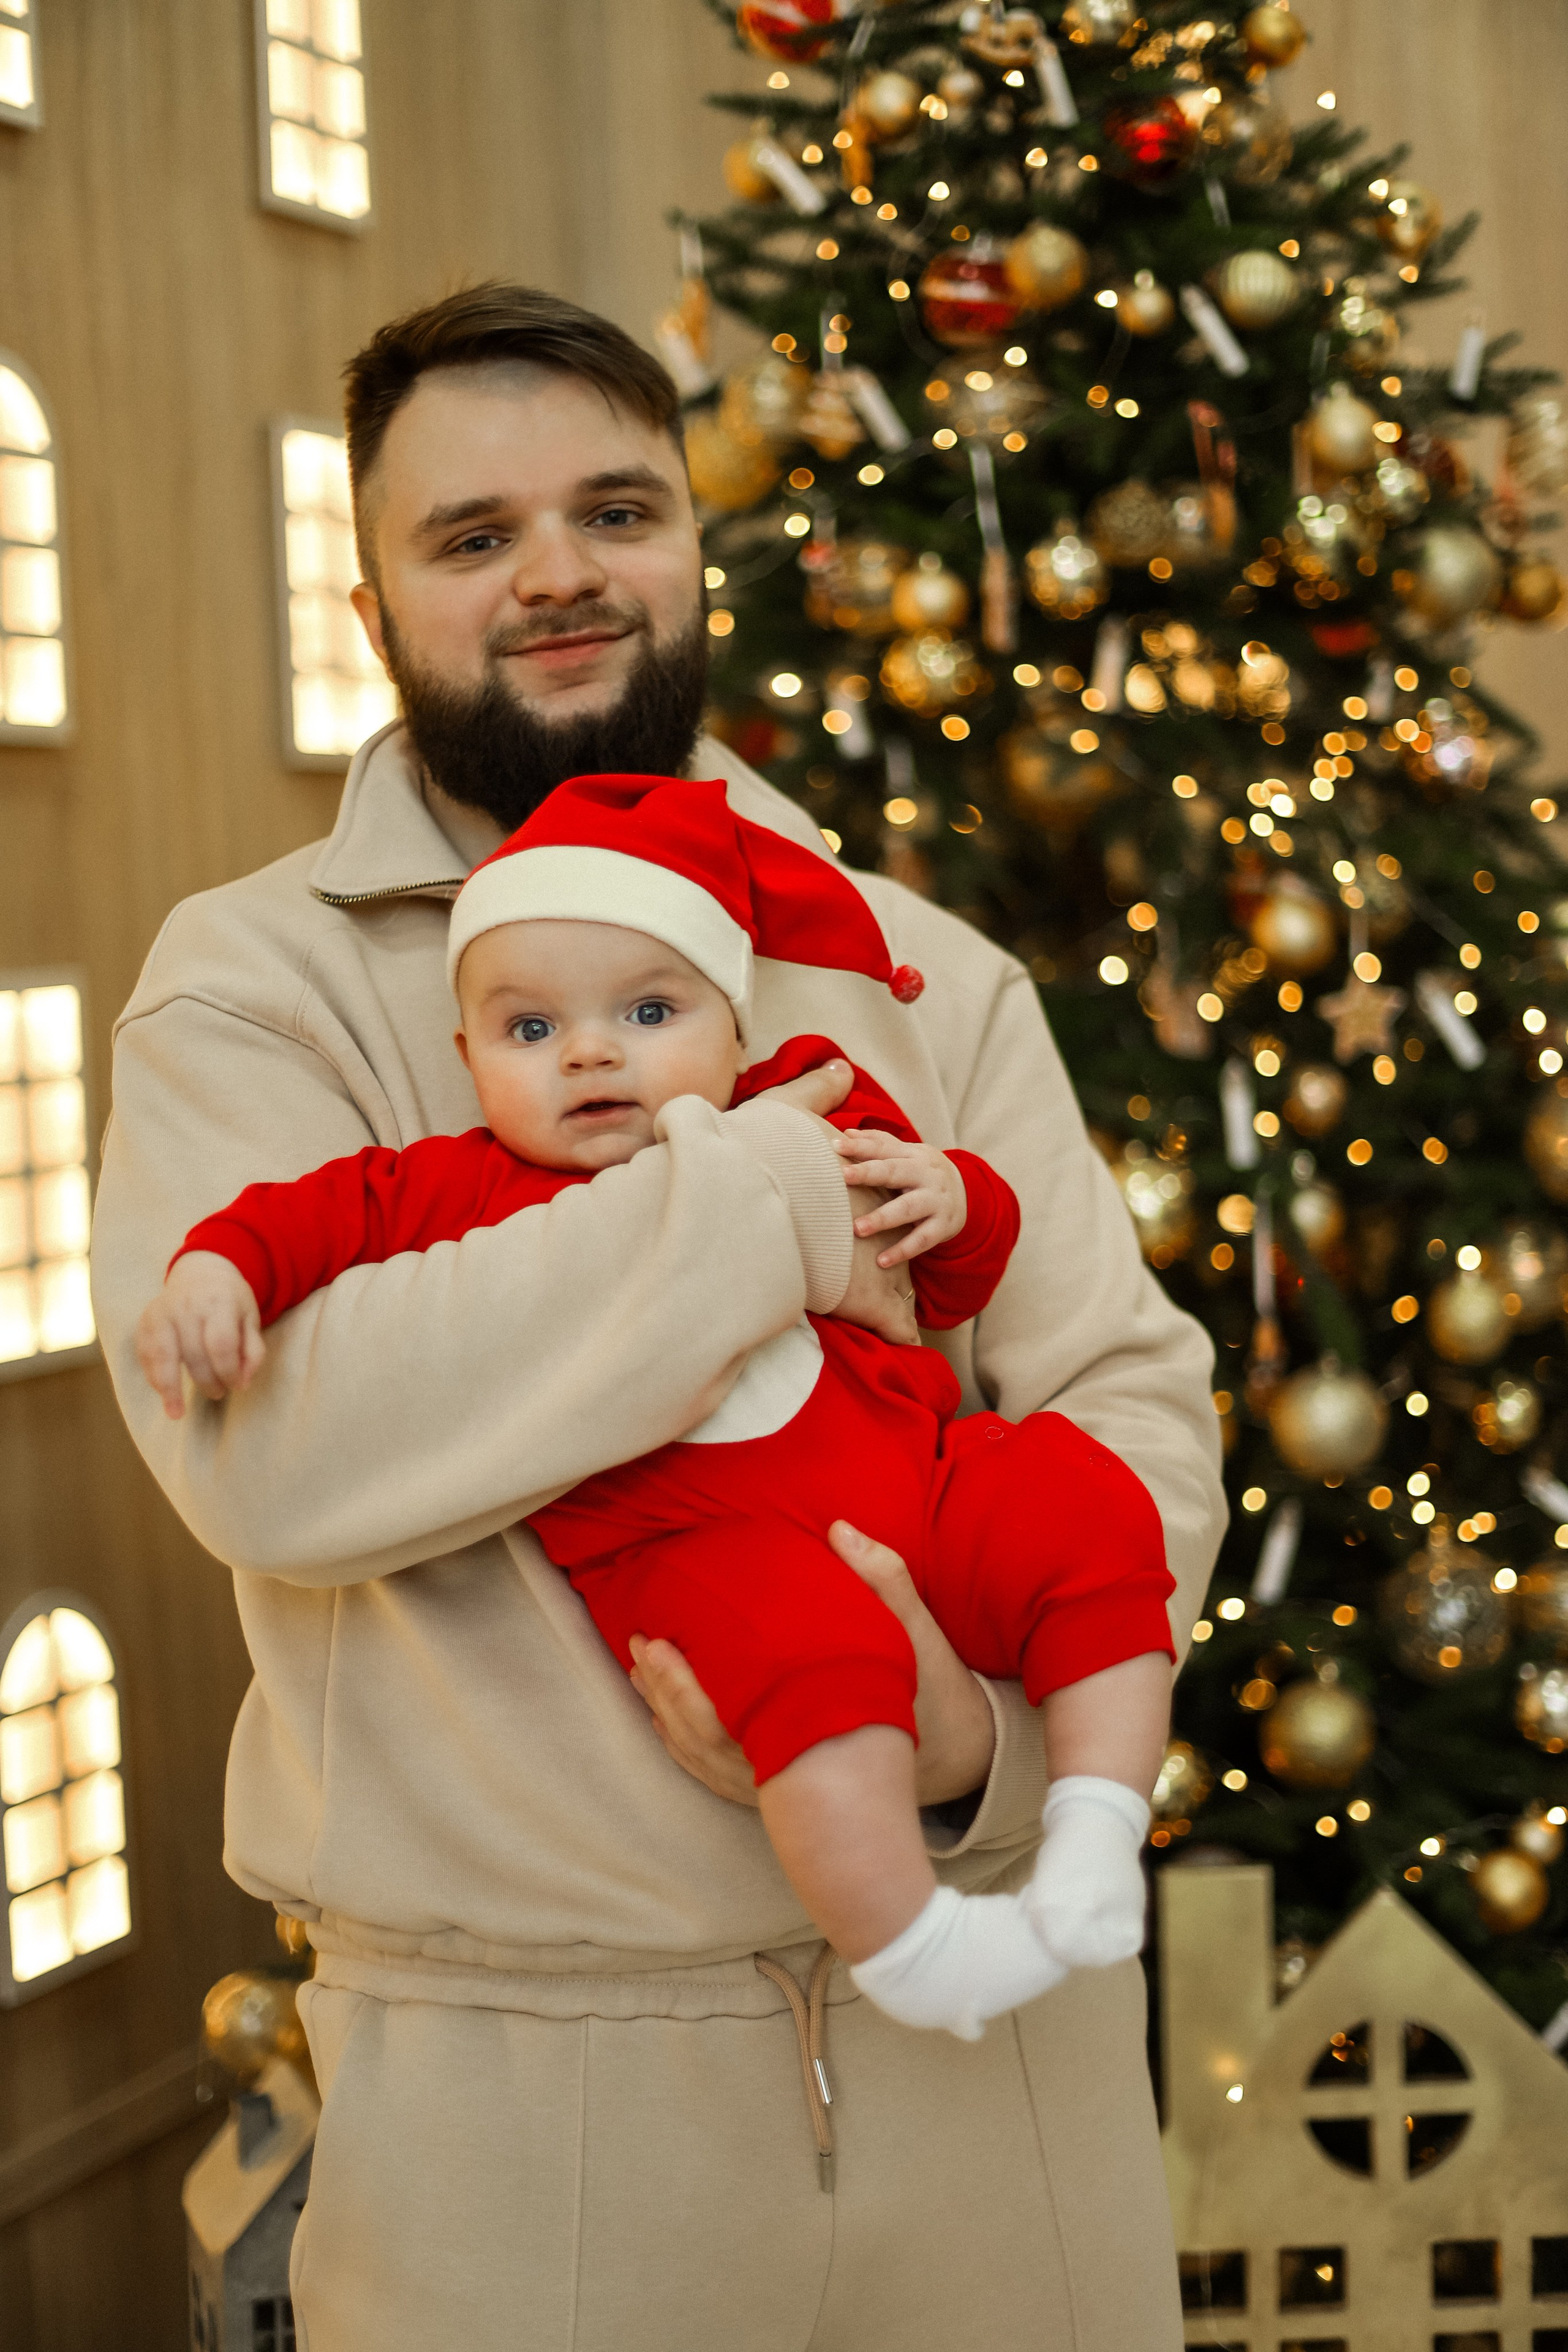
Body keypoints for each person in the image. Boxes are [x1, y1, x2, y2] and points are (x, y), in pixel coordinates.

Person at [91, 283, 1226, 2351]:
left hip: (1005, 2087)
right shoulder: (255, 988)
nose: (558, 575)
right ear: (372, 603)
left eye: (617, 510)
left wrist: (985, 1732)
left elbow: (1125, 1397)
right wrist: (763, 1201)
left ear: (694, 555)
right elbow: (276, 1445)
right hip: (536, 2112)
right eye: (473, 534)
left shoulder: (923, 972)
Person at [135, 770, 1177, 2043]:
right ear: (466, 1059)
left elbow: (952, 1272)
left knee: (1072, 1496)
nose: (588, 1052)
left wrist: (957, 1198)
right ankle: (910, 1942)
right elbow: (305, 1220)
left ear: (732, 1028)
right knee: (815, 1665)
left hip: (921, 1484)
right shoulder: (450, 1188)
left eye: (646, 1010)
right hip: (701, 1545)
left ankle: (1095, 1832)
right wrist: (212, 1271)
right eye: (529, 1032)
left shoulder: (813, 1092)